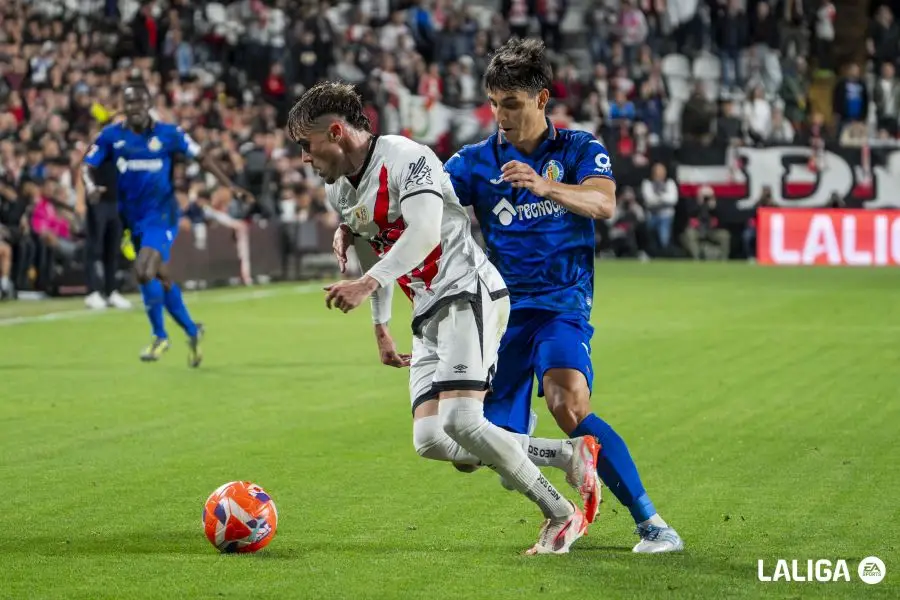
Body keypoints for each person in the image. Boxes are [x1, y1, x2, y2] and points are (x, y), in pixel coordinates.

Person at [288, 82, 599, 555]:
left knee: (463, 422)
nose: (304, 158)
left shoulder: (406, 157)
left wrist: (367, 282)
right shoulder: (339, 192)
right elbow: (382, 248)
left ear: (335, 132)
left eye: (306, 146)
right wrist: (380, 326)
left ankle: (560, 514)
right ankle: (563, 453)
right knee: (432, 438)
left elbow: (425, 232)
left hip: (467, 292)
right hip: (427, 311)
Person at [443, 39, 684, 553]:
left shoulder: (577, 148)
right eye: (494, 103)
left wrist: (546, 187)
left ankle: (653, 524)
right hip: (501, 313)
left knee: (568, 401)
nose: (500, 115)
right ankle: (547, 462)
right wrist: (354, 232)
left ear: (541, 99)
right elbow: (420, 206)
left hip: (561, 303)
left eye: (511, 104)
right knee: (467, 452)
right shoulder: (475, 161)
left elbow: (603, 202)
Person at [82, 83, 251, 366]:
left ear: (148, 103)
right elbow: (87, 165)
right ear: (123, 107)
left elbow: (202, 157)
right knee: (160, 277)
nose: (134, 108)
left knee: (144, 270)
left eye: (139, 102)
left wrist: (230, 186)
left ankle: (160, 336)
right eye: (129, 103)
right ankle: (192, 329)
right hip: (131, 220)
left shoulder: (169, 134)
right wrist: (89, 186)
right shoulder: (112, 136)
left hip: (162, 216)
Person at [82, 143, 132, 310]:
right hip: (99, 202)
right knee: (95, 248)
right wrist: (91, 188)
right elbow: (85, 168)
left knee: (113, 249)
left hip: (116, 202)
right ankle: (93, 291)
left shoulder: (124, 150)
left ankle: (111, 291)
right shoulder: (99, 147)